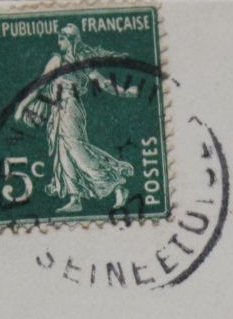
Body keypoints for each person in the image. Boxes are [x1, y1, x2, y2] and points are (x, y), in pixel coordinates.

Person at [13, 24, 139, 214]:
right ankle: (75, 198)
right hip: (57, 110)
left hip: (71, 109)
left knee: (77, 150)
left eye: (62, 39)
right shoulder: (57, 60)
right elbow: (40, 85)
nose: (58, 42)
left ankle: (115, 184)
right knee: (63, 153)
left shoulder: (81, 60)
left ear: (71, 40)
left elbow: (103, 83)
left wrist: (125, 93)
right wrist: (22, 106)